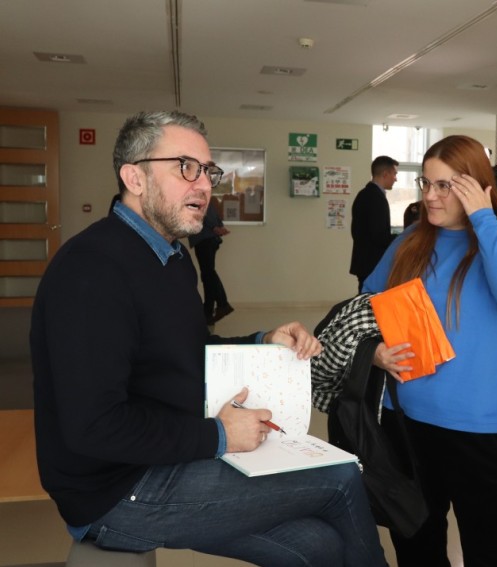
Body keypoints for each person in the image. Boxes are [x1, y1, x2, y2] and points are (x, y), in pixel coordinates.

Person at [30, 110, 387, 567]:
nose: (204, 185)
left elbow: (186, 353)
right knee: (340, 477)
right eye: (186, 168)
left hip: (164, 459)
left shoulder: (172, 257)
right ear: (134, 177)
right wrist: (218, 435)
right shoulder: (92, 271)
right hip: (116, 493)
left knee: (319, 547)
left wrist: (264, 340)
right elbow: (94, 427)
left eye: (208, 171)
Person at [363, 135, 497, 566]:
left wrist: (483, 217)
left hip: (483, 427)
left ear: (476, 187)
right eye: (426, 183)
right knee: (417, 543)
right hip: (409, 421)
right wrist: (375, 351)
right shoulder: (409, 243)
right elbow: (367, 303)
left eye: (446, 186)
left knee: (491, 545)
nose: (430, 196)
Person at [350, 155, 399, 292]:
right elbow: (379, 236)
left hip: (365, 261)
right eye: (394, 174)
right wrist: (401, 238)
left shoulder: (364, 194)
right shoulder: (375, 198)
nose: (396, 178)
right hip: (372, 263)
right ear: (385, 174)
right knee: (370, 303)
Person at [189, 195, 234, 325]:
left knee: (208, 274)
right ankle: (208, 312)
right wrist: (218, 226)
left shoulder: (198, 197)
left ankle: (222, 304)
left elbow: (204, 213)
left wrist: (215, 227)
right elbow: (214, 215)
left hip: (204, 239)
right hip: (209, 239)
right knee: (208, 274)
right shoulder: (205, 198)